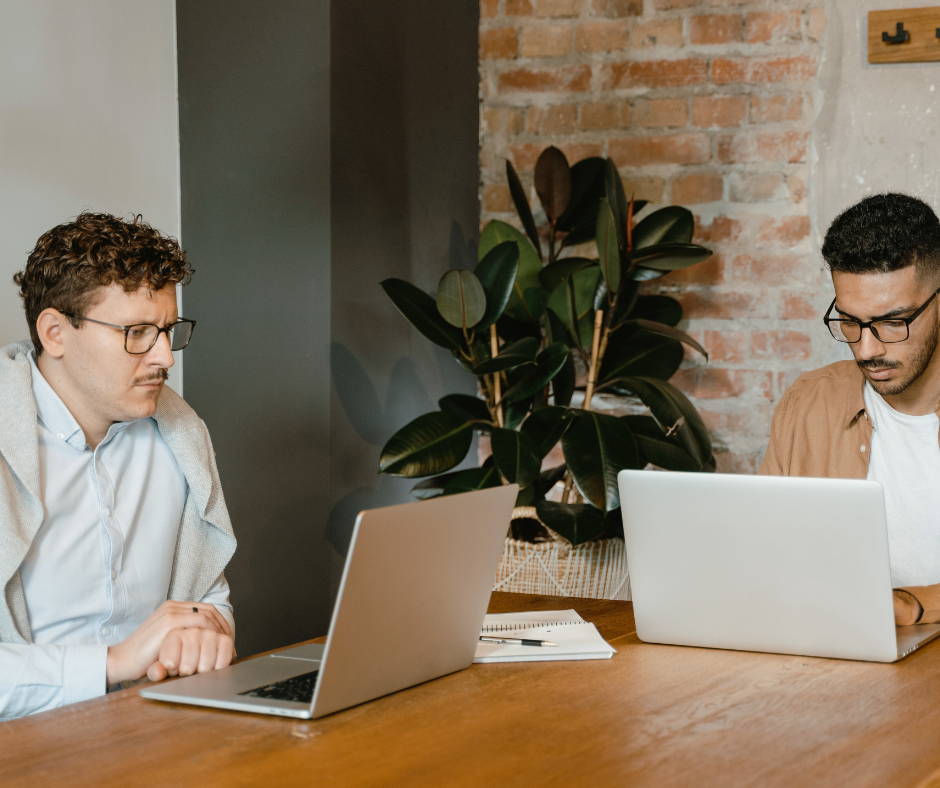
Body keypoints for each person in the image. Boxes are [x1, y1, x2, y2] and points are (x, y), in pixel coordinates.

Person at [0, 212, 237, 720]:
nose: (164, 359)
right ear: (55, 333)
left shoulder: (181, 437)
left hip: (160, 732)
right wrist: (113, 663)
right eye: (136, 332)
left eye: (167, 331)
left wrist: (206, 636)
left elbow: (208, 597)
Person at [761, 193, 940, 627]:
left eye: (894, 322)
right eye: (849, 321)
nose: (867, 348)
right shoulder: (808, 401)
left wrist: (913, 605)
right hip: (833, 656)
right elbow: (766, 552)